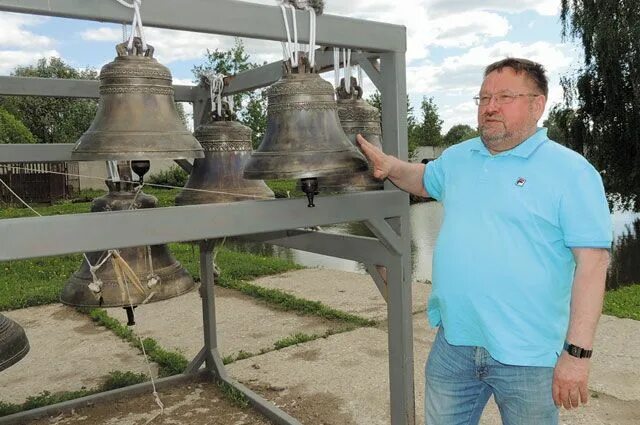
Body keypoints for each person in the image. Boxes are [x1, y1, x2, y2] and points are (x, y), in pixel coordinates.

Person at [357, 58, 612, 425]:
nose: (490, 107)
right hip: (454, 346)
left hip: (530, 357)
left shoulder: (572, 172)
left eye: (505, 96)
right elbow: (425, 179)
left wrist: (577, 354)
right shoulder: (461, 156)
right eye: (484, 97)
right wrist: (391, 167)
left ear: (537, 105)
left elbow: (593, 264)